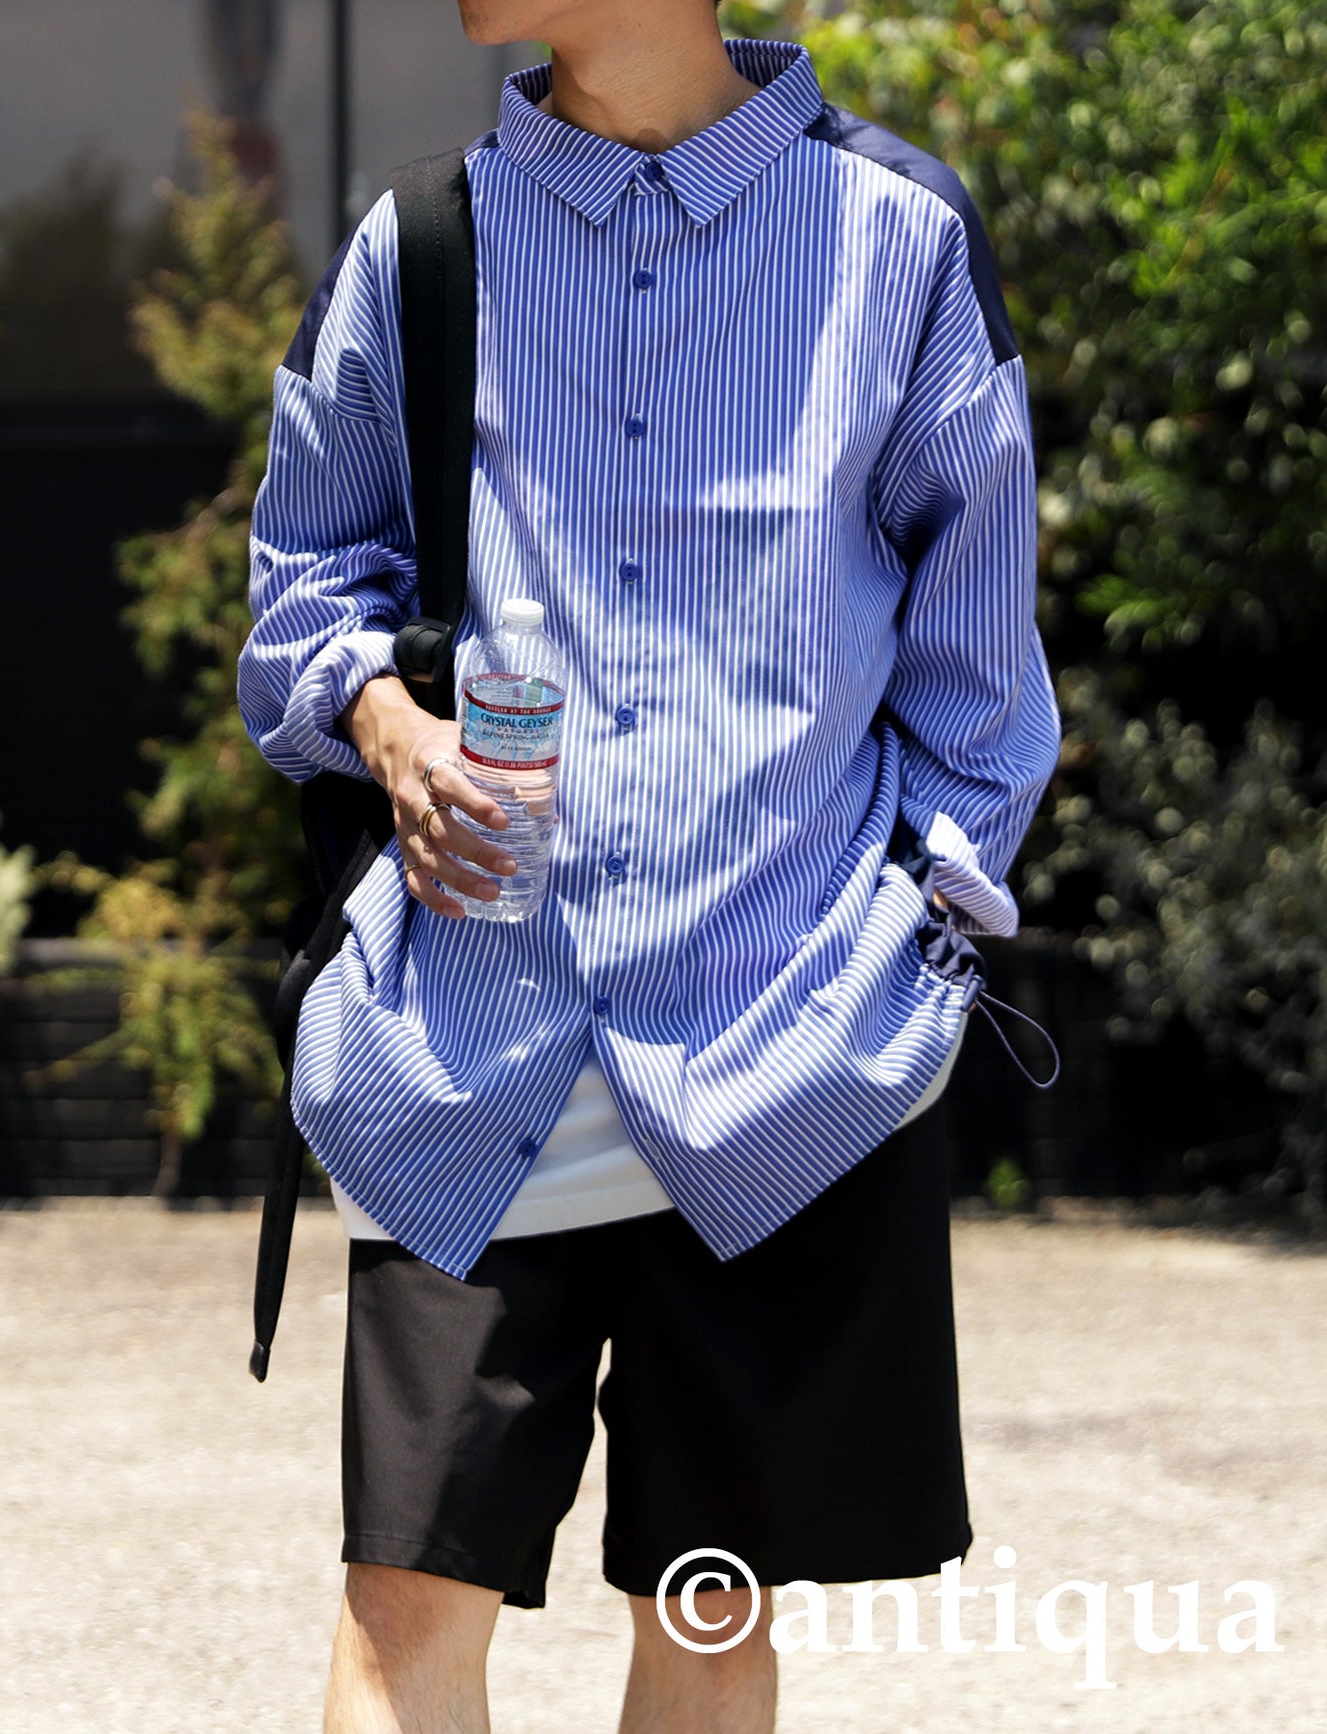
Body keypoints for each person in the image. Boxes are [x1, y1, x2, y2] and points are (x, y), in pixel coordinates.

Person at [238, 1, 1061, 1728]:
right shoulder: (421, 239)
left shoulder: (899, 239)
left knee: (703, 1610)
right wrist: (388, 728)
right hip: (474, 1043)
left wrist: (902, 962)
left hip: (789, 1051)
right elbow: (305, 587)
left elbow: (980, 686)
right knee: (401, 1601)